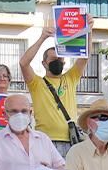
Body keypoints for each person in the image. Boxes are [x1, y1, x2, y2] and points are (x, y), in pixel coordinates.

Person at [21, 18, 91, 154]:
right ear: (44, 63)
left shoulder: (70, 78)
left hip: (72, 140)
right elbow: (24, 63)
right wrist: (42, 37)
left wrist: (89, 30)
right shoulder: (36, 83)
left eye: (60, 59)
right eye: (53, 60)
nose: (57, 62)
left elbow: (85, 56)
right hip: (45, 141)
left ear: (64, 62)